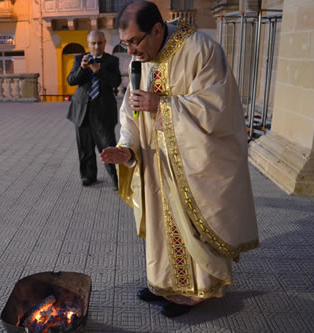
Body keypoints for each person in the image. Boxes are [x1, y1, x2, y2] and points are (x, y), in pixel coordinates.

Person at [100, 1, 259, 317]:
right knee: (161, 225)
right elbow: (131, 111)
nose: (130, 51)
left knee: (191, 224)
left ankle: (198, 290)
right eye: (125, 43)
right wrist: (128, 149)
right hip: (155, 164)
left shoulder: (201, 50)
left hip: (193, 167)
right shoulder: (143, 60)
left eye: (134, 41)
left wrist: (164, 106)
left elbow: (220, 109)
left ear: (157, 30)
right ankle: (166, 283)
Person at [67, 30, 121, 191]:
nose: (96, 46)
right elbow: (71, 81)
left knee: (108, 146)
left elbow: (115, 82)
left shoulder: (112, 60)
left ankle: (117, 179)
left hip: (103, 111)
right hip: (82, 109)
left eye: (100, 43)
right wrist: (83, 68)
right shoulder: (79, 59)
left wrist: (99, 71)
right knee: (85, 148)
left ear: (104, 43)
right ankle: (88, 176)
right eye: (93, 43)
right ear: (88, 44)